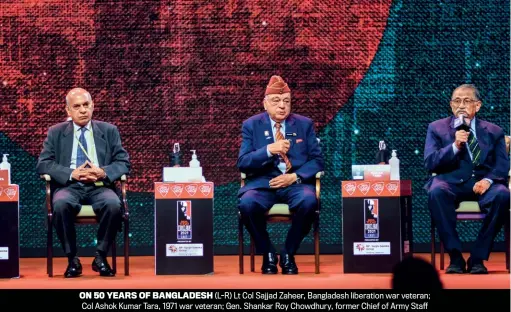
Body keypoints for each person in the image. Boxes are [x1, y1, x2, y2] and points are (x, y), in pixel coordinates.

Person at [36, 88, 130, 278]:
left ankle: (100, 256)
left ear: (92, 106)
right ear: (68, 111)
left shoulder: (109, 130)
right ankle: (73, 259)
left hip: (99, 186)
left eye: (86, 105)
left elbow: (123, 163)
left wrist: (103, 172)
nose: (82, 110)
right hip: (69, 186)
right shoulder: (56, 132)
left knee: (113, 205)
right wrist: (72, 174)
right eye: (76, 106)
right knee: (60, 204)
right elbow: (43, 164)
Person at [237, 75, 324, 274]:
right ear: (265, 103)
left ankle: (288, 253)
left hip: (295, 183)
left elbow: (317, 161)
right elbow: (243, 162)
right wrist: (269, 149)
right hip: (263, 184)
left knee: (310, 202)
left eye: (286, 101)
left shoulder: (304, 124)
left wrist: (295, 177)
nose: (282, 106)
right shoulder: (252, 125)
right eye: (276, 101)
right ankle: (267, 252)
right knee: (247, 204)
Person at [424, 84, 510, 274]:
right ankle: (455, 257)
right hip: (450, 182)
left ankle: (478, 258)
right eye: (457, 101)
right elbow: (430, 162)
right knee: (436, 192)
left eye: (467, 101)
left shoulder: (494, 131)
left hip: (482, 183)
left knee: (503, 195)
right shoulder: (436, 128)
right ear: (451, 105)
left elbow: (502, 165)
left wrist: (488, 180)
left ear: (477, 106)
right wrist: (454, 145)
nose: (461, 105)